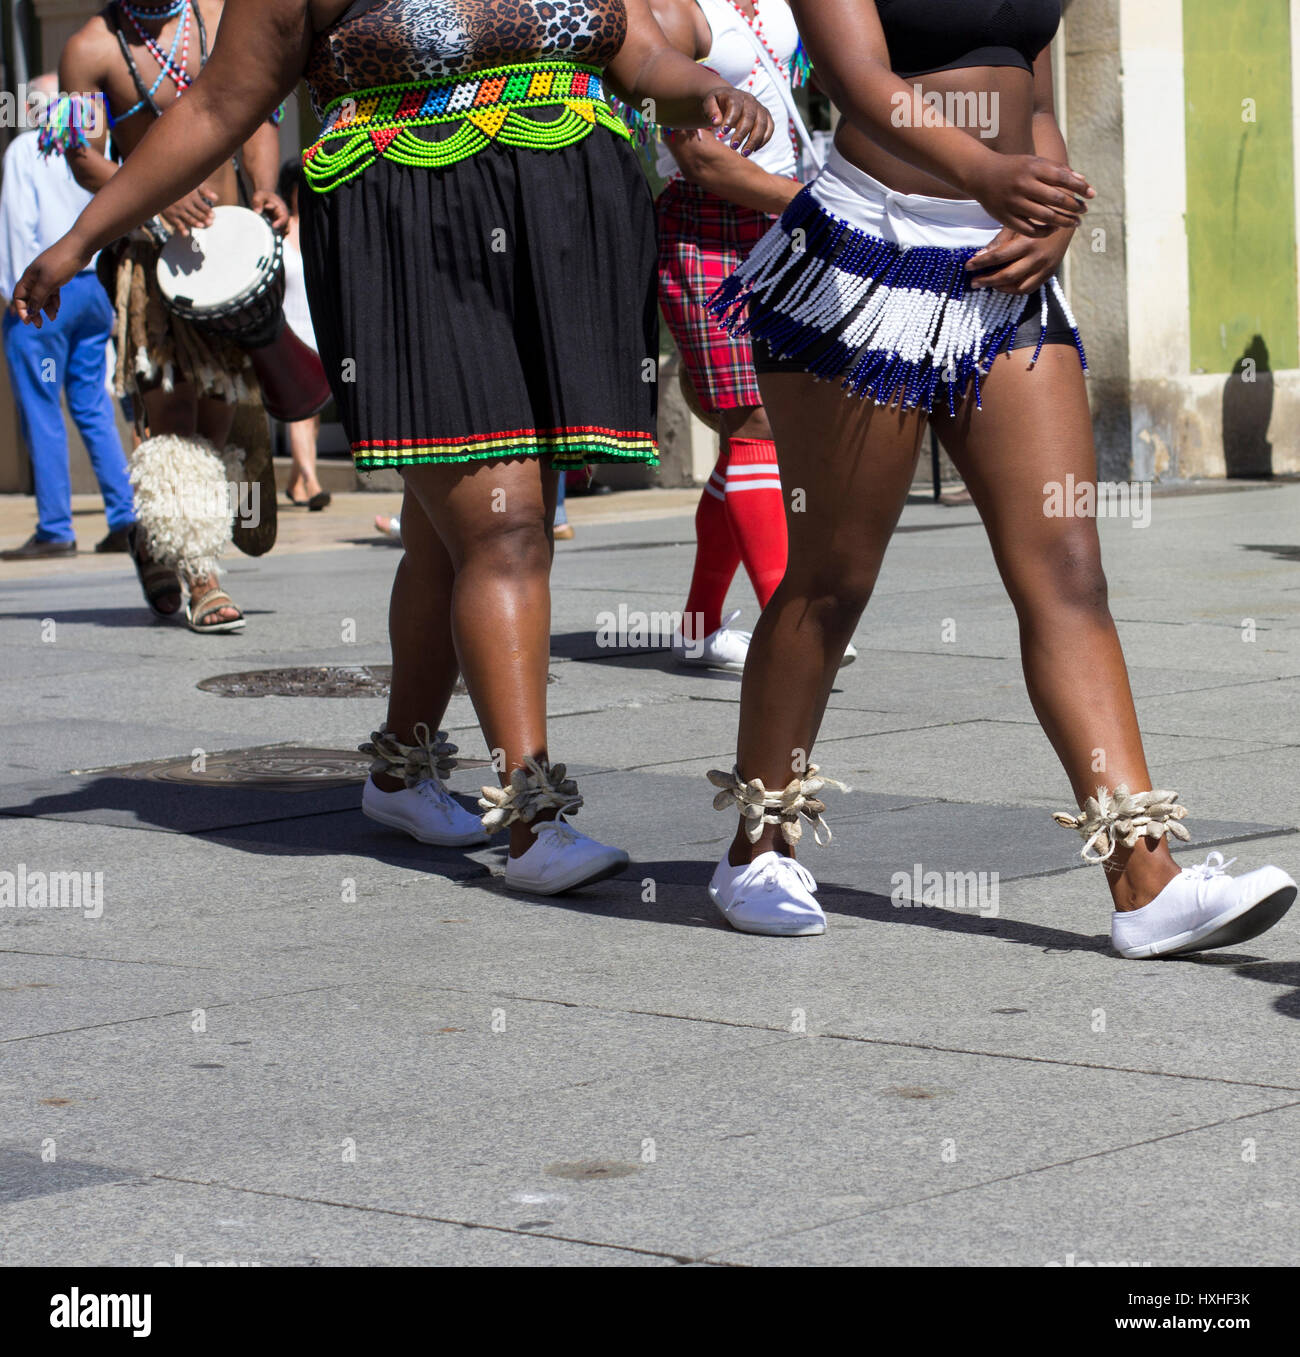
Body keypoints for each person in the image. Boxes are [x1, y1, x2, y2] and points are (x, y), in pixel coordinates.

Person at [15, 0, 772, 895]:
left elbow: (636, 50)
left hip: (559, 227)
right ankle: (534, 818)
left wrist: (705, 86)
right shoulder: (90, 46)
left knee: (440, 528)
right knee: (506, 527)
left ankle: (401, 773)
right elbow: (214, 105)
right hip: (411, 234)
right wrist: (80, 236)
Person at [703, 0, 1297, 956]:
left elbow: (1031, 86)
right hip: (868, 250)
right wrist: (993, 173)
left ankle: (1144, 876)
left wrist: (1052, 206)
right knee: (833, 580)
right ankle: (757, 845)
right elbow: (861, 83)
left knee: (1068, 568)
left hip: (1005, 264)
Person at [45, 0, 289, 631]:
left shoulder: (221, 14)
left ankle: (156, 537)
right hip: (151, 262)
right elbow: (79, 153)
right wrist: (158, 189)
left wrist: (265, 186)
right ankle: (201, 573)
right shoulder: (88, 49)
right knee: (173, 411)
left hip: (231, 257)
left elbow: (259, 108)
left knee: (216, 411)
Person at [645, 0, 817, 672]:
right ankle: (790, 629)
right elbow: (702, 161)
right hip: (707, 222)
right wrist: (808, 202)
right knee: (752, 423)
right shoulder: (671, 7)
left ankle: (698, 625)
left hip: (779, 219)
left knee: (756, 434)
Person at [0, 74, 136, 562]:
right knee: (91, 403)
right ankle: (125, 518)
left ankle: (55, 527)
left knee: (41, 407)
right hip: (93, 287)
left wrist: (16, 294)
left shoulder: (24, 150)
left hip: (45, 290)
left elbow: (19, 227)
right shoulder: (95, 151)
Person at [277, 156, 330, 511]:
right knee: (299, 412)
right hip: (287, 332)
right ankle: (312, 483)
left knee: (311, 415)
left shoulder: (320, 226)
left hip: (318, 331)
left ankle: (296, 483)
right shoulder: (277, 230)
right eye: (299, 189)